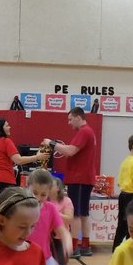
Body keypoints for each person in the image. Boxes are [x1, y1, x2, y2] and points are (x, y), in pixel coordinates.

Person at [49, 107, 99, 256]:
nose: (69, 123)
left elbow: (70, 151)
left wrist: (52, 144)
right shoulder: (88, 132)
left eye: (70, 119)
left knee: (76, 213)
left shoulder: (84, 131)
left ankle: (74, 246)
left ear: (78, 117)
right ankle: (85, 244)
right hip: (85, 177)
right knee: (83, 213)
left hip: (79, 177)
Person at [26, 168, 73, 265]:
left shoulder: (50, 209)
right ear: (27, 186)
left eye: (43, 194)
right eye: (34, 193)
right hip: (22, 259)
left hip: (43, 260)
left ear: (48, 193)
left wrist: (67, 244)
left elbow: (63, 231)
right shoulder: (20, 207)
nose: (38, 198)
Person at [0, 117, 47, 192]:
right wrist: (37, 157)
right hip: (5, 181)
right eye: (7, 126)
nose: (9, 127)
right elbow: (19, 160)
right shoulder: (6, 141)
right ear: (0, 128)